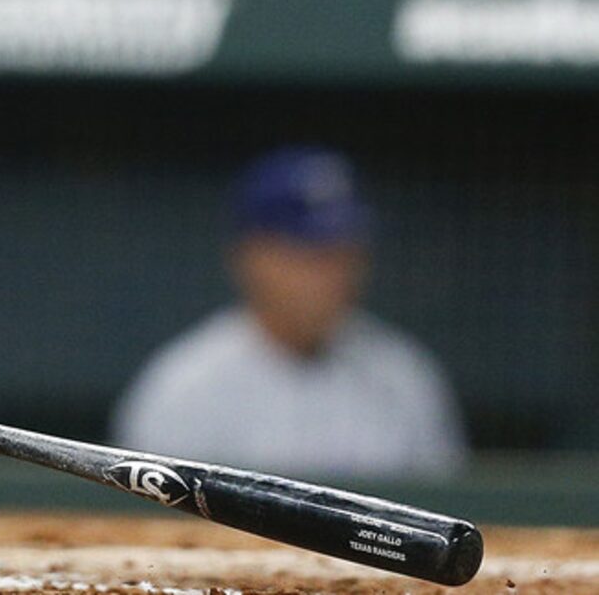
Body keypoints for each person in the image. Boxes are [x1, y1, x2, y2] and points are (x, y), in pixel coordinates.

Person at [112, 146, 467, 480]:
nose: (332, 276)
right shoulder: (183, 389)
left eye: (345, 254)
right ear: (251, 257)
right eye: (309, 255)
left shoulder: (406, 378)